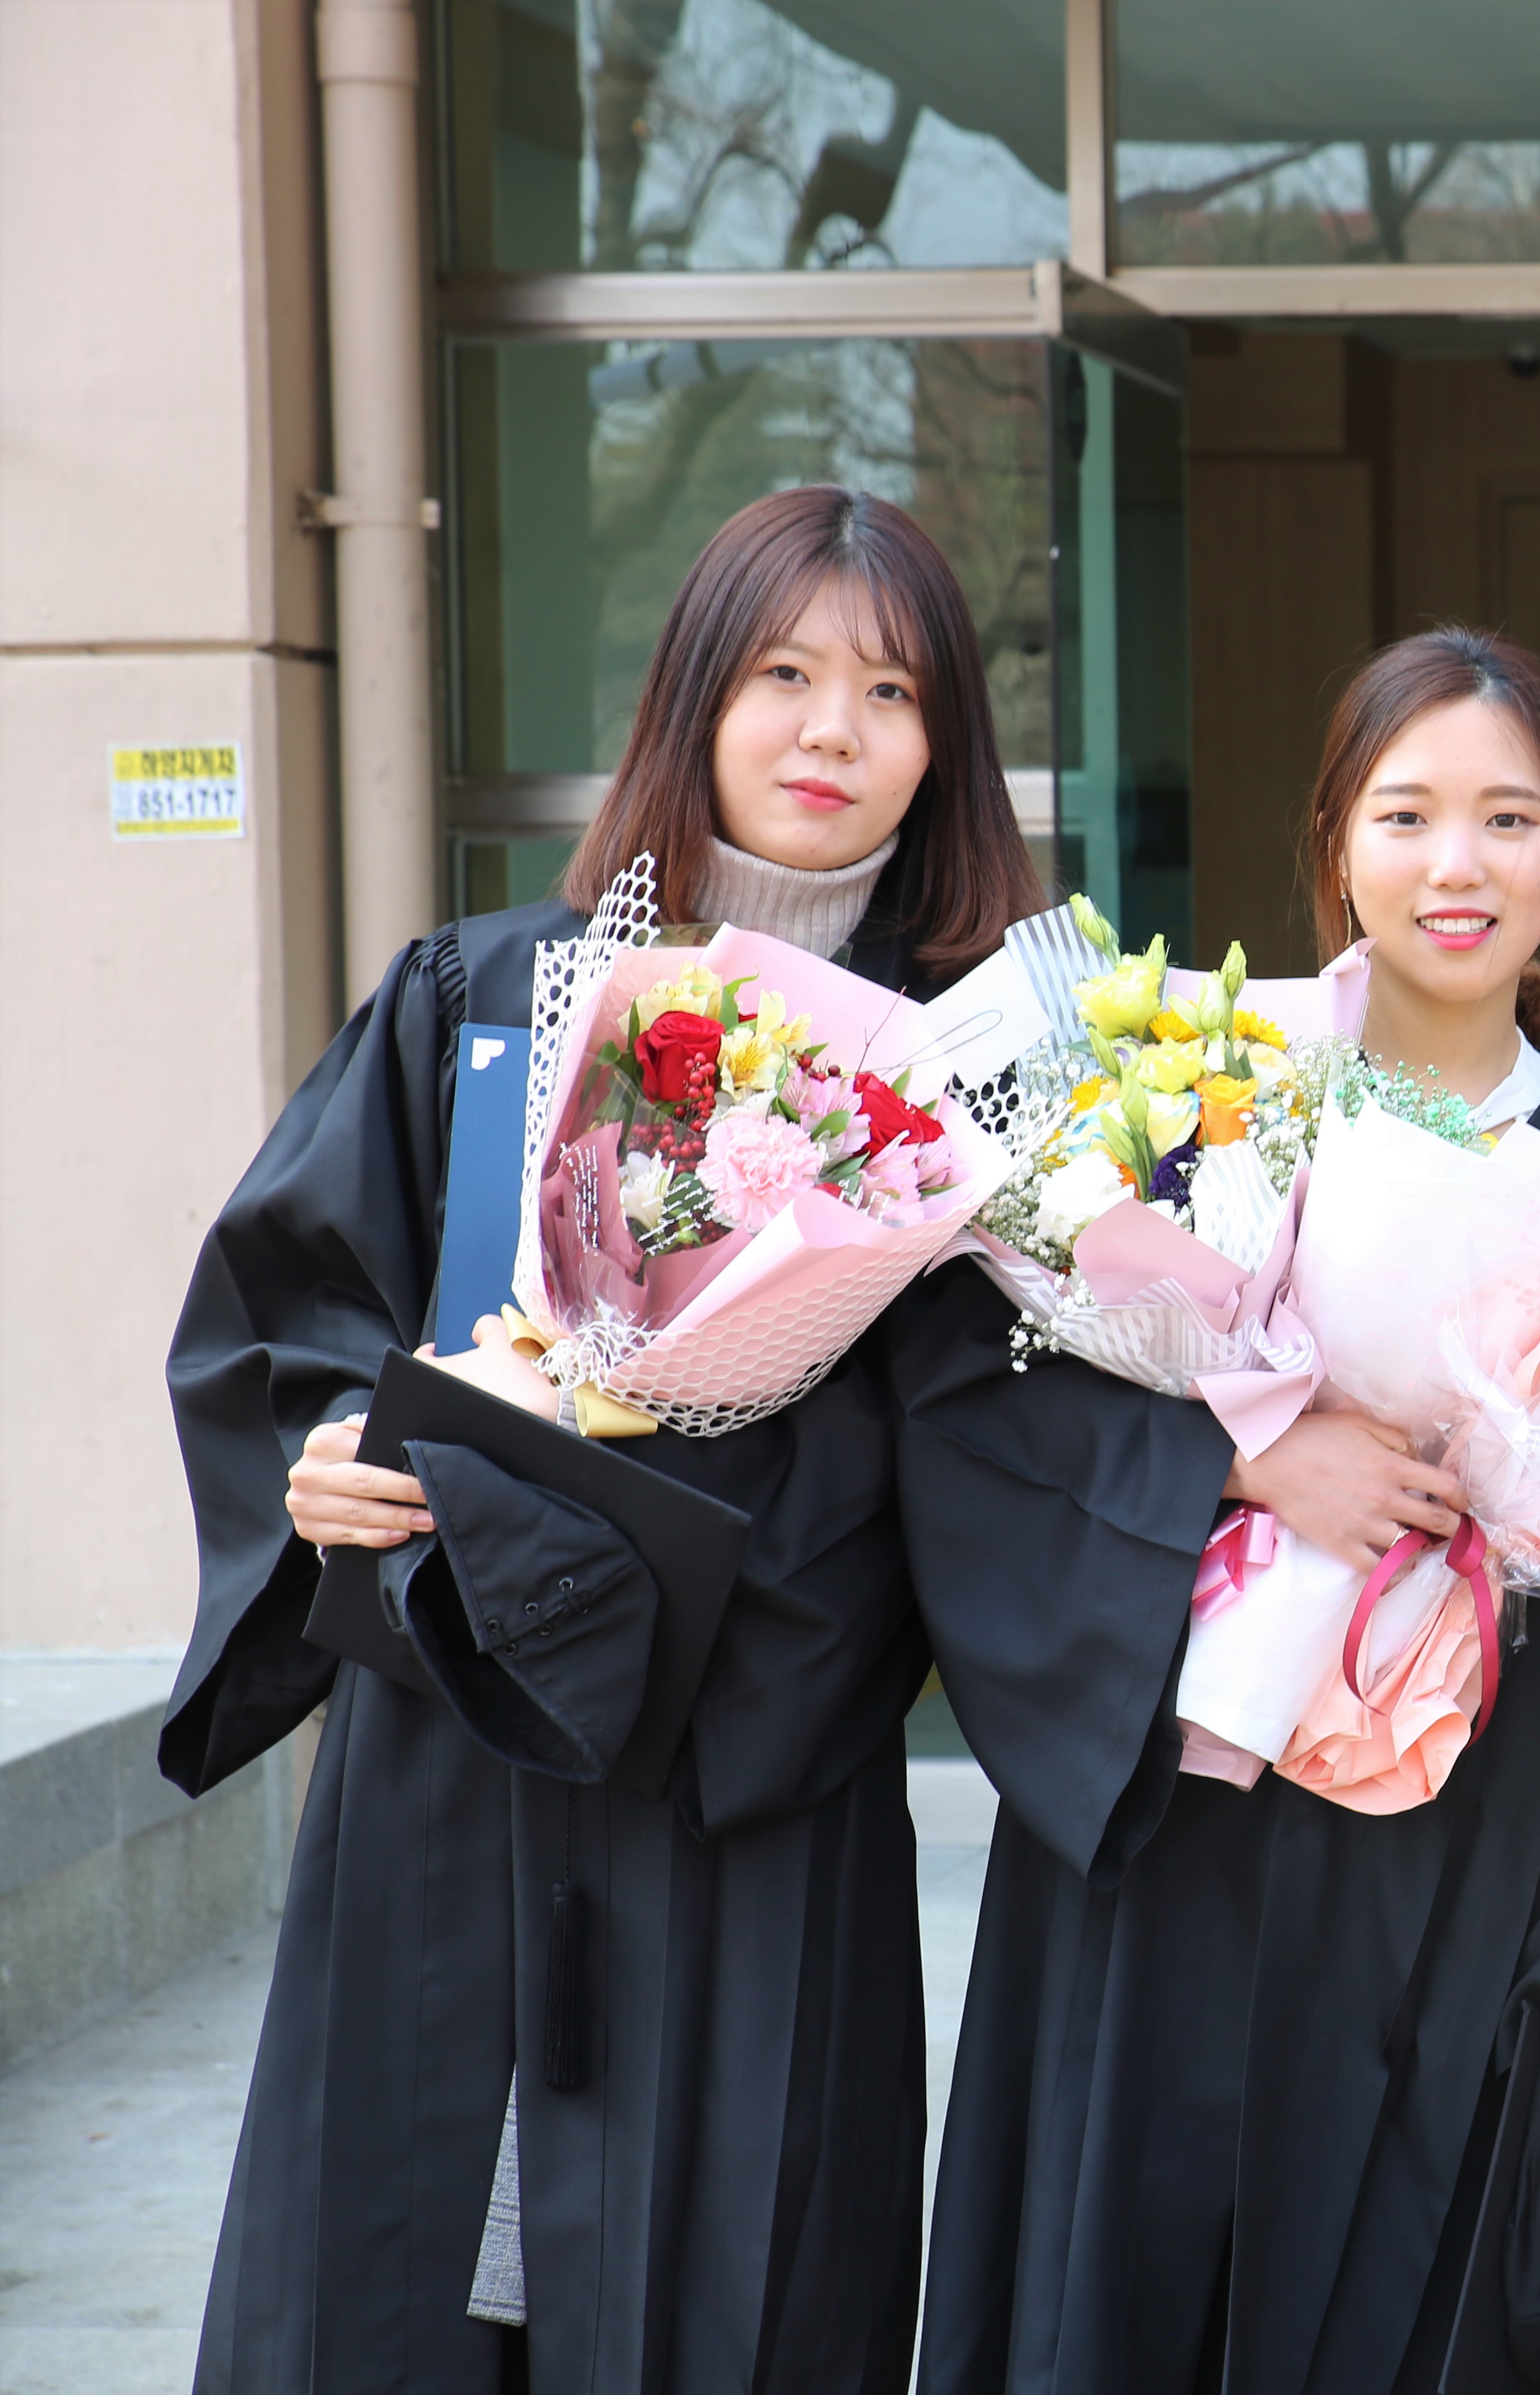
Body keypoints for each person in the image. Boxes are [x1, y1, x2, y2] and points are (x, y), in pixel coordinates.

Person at [166, 485, 1044, 2392]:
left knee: (728, 2296)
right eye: (784, 673)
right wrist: (332, 1451)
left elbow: (1000, 1454)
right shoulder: (484, 998)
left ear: (946, 749)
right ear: (694, 694)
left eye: (892, 692)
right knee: (393, 2284)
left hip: (755, 1775)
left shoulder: (976, 1094)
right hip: (452, 1741)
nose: (831, 729)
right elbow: (293, 1309)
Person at [899, 626, 1540, 2394]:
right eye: (1406, 815)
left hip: (1472, 1860)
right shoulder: (1193, 1102)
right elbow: (981, 1412)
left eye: (1509, 819)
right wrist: (1238, 1455)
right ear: (1337, 843)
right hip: (1177, 1825)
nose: (1456, 864)